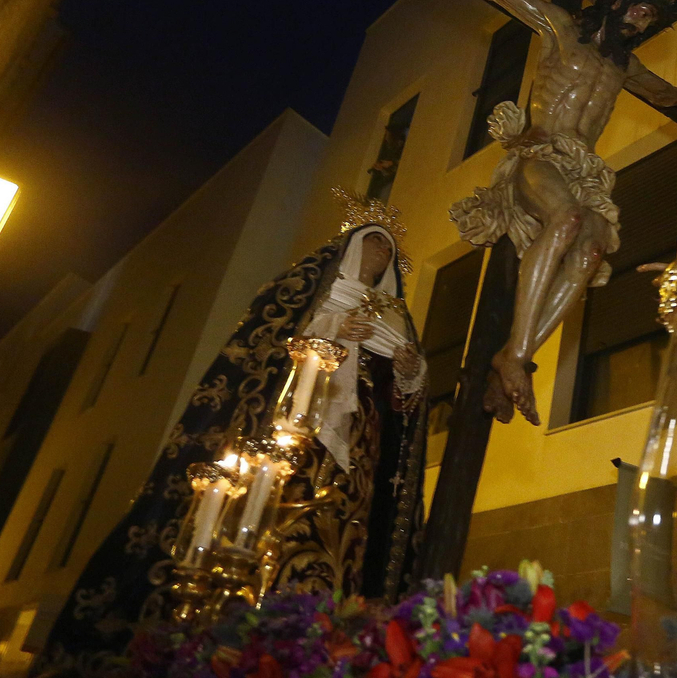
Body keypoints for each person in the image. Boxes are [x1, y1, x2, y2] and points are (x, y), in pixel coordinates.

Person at [34, 194, 427, 677]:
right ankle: (253, 620)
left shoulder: (396, 318)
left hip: (361, 449)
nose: (381, 257)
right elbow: (264, 354)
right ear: (350, 250)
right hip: (299, 432)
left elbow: (403, 407)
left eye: (388, 253)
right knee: (280, 519)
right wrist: (335, 328)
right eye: (373, 245)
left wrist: (409, 373)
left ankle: (326, 631)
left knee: (343, 533)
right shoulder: (309, 292)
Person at [420, 0, 677, 425]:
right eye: (640, 13)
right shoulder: (560, 29)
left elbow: (664, 97)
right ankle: (513, 358)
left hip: (583, 169)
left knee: (594, 246)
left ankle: (514, 355)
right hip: (539, 151)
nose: (642, 25)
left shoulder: (627, 68)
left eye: (649, 21)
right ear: (617, 2)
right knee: (568, 220)